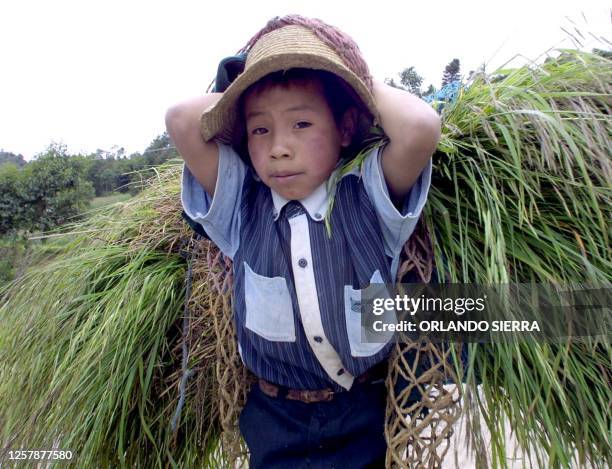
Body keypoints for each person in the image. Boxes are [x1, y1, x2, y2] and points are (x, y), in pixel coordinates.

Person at [165, 15, 441, 469]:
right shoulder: (240, 208)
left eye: (302, 124)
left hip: (365, 413)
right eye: (260, 130)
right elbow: (181, 119)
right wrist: (245, 79)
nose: (279, 147)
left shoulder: (370, 200)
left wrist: (348, 73)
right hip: (276, 419)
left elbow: (419, 128)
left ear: (346, 128)